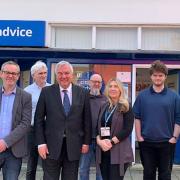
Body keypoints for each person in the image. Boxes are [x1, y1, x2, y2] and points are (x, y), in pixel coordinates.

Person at [34, 60, 92, 180]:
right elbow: (38, 120)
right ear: (56, 75)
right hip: (51, 146)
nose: (63, 76)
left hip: (74, 146)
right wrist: (41, 143)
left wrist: (86, 142)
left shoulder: (83, 93)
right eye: (60, 73)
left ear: (72, 74)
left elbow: (87, 120)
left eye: (66, 73)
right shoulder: (47, 92)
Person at [133, 60, 180, 180]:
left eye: (160, 75)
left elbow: (178, 118)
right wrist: (139, 137)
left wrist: (174, 137)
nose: (157, 78)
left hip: (167, 143)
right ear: (151, 76)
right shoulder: (142, 96)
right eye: (155, 75)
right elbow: (137, 117)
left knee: (165, 174)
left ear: (165, 76)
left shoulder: (174, 96)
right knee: (148, 174)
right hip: (146, 142)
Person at [96, 78, 134, 180]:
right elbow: (98, 127)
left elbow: (127, 129)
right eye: (110, 86)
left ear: (120, 90)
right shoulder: (104, 106)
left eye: (116, 86)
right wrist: (99, 141)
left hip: (118, 151)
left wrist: (110, 143)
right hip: (103, 151)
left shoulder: (126, 107)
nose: (113, 88)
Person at [0, 61, 32, 180]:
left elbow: (25, 124)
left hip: (14, 151)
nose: (11, 76)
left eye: (14, 73)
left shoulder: (25, 97)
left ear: (18, 76)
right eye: (7, 72)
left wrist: (5, 142)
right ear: (1, 74)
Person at [24, 61, 51, 180]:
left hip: (48, 130)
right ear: (33, 75)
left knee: (48, 163)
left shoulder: (52, 88)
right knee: (32, 162)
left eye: (45, 73)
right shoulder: (27, 91)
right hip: (32, 130)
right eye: (40, 73)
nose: (43, 75)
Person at [79, 74, 107, 180]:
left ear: (101, 84)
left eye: (98, 82)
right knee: (83, 170)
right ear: (89, 83)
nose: (96, 84)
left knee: (100, 171)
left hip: (101, 141)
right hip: (86, 141)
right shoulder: (83, 98)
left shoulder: (106, 99)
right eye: (94, 81)